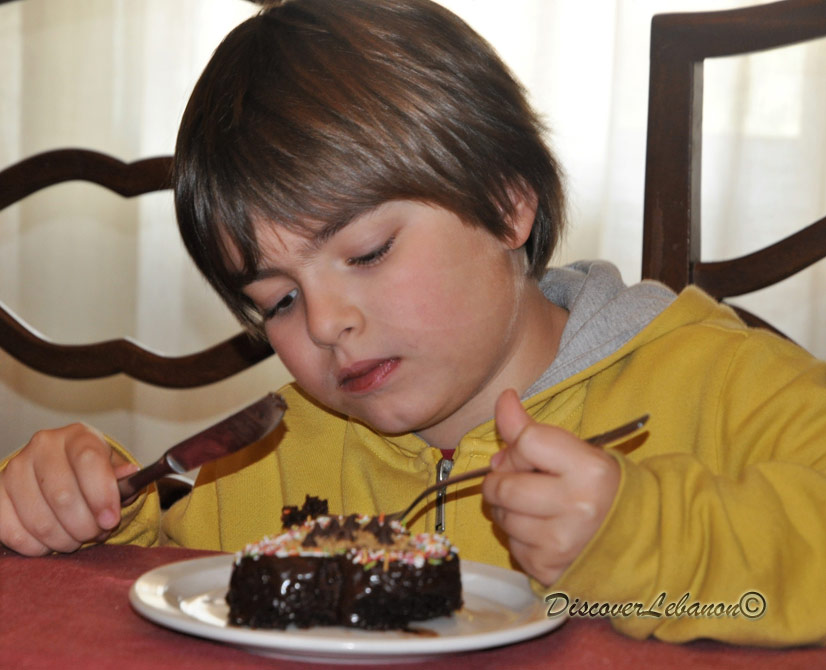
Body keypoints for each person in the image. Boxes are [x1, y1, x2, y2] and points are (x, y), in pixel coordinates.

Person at [2, 0, 826, 648]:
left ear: (508, 205)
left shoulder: (714, 381)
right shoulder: (265, 458)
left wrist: (642, 534)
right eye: (278, 301)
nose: (325, 323)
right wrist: (92, 507)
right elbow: (161, 572)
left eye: (367, 251)